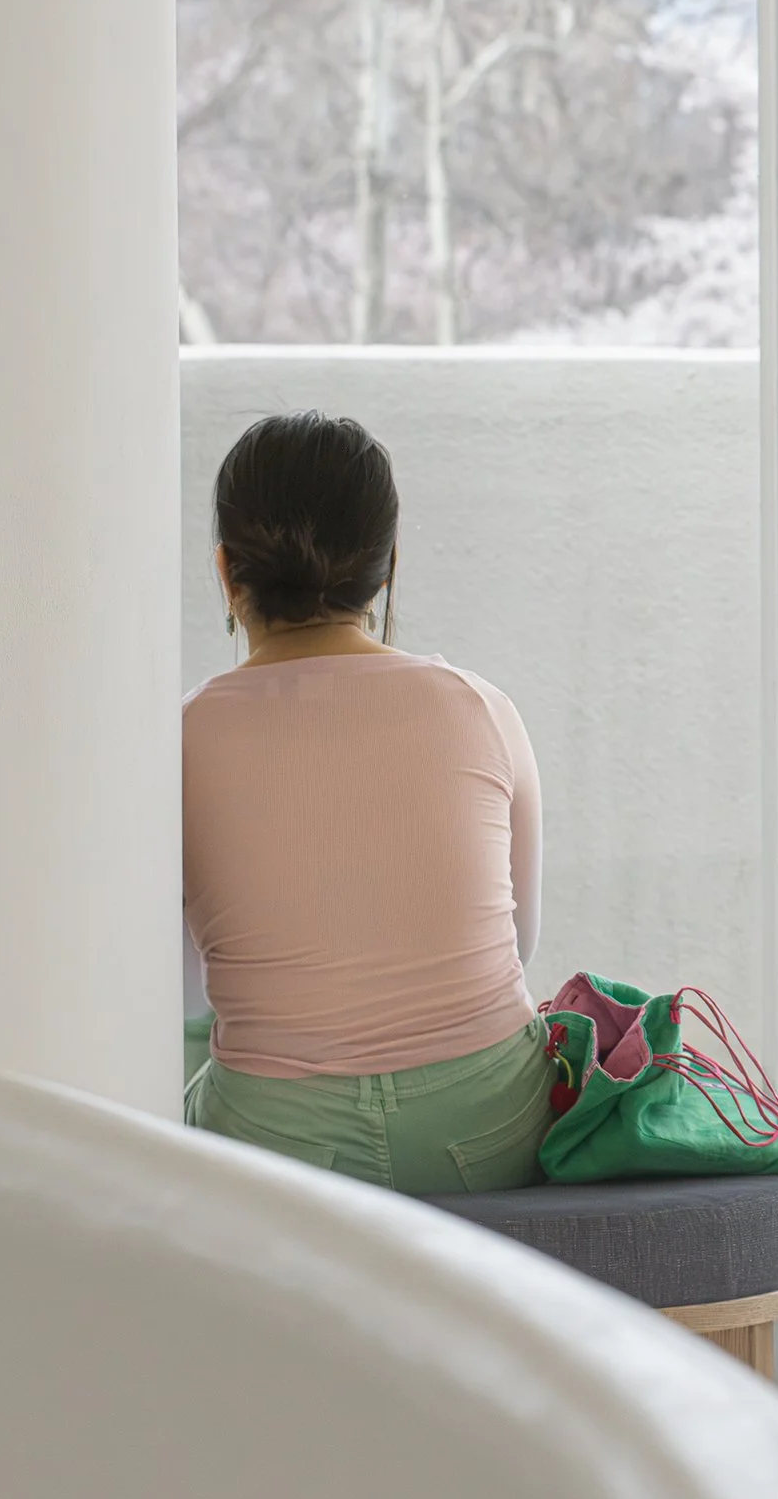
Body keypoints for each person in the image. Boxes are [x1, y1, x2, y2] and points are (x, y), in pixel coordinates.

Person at [182, 411, 556, 1195]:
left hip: (278, 1144)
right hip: (489, 1129)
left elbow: (178, 975)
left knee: (181, 1050)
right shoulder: (478, 706)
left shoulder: (181, 736)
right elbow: (519, 941)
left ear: (225, 571)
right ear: (385, 570)